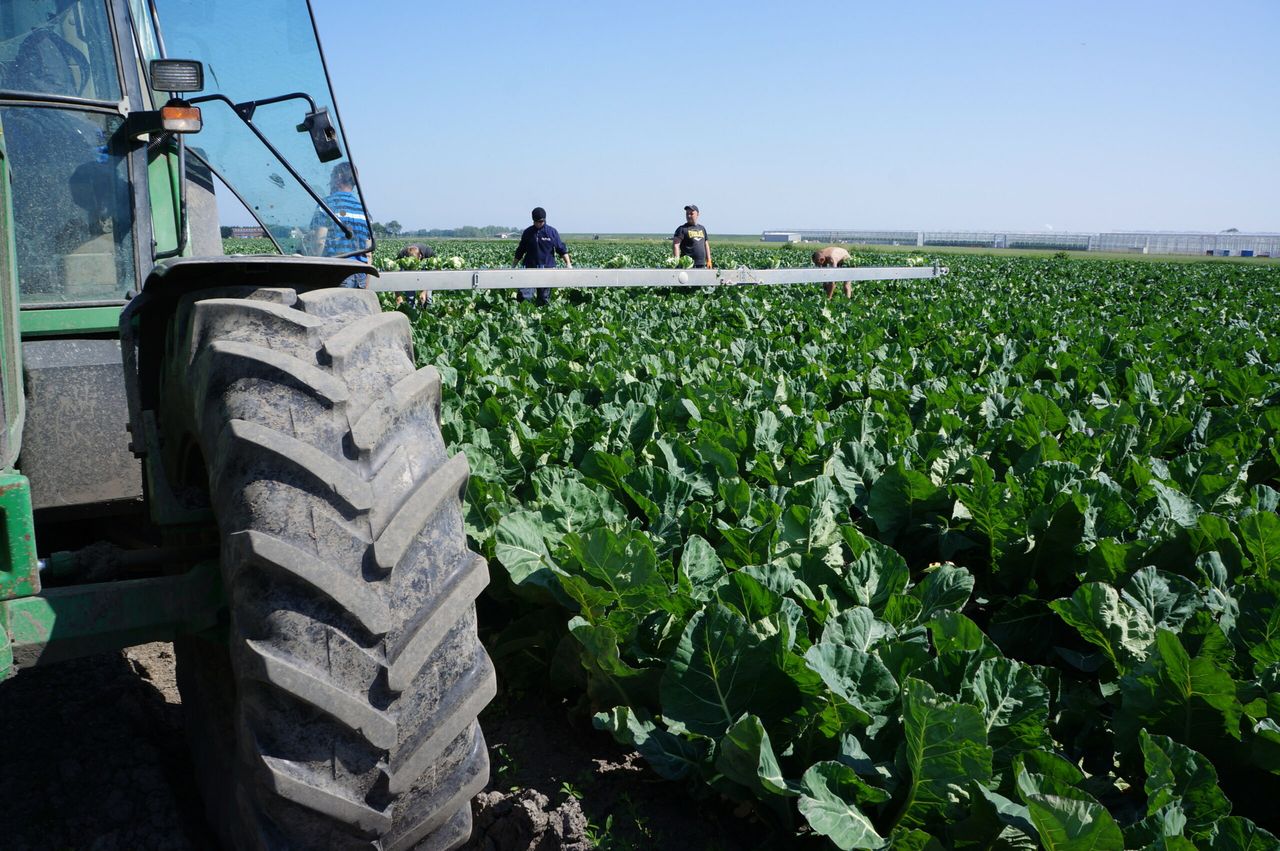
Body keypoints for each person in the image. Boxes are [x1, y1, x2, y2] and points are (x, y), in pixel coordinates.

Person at [307, 162, 371, 288]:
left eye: (331, 176)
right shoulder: (363, 209)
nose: (329, 182)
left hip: (337, 273)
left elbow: (319, 242)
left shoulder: (327, 204)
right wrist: (366, 287)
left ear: (339, 176)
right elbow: (368, 253)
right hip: (360, 275)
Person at [513, 206, 571, 305]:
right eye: (537, 221)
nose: (540, 224)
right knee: (524, 298)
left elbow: (561, 249)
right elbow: (520, 250)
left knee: (544, 299)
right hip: (529, 268)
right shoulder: (528, 232)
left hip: (547, 269)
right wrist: (513, 266)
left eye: (542, 221)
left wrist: (568, 264)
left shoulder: (552, 232)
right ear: (533, 220)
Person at [673, 205, 712, 269]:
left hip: (701, 264)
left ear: (698, 214)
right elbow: (676, 245)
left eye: (691, 214)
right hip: (688, 265)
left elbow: (706, 244)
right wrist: (677, 262)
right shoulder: (682, 229)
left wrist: (709, 260)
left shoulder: (702, 228)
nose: (689, 216)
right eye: (687, 214)